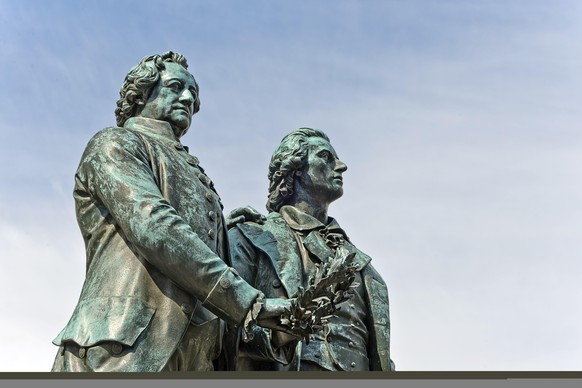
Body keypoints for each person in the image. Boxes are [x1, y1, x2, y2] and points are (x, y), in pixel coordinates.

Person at [51, 51, 295, 372]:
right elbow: (156, 226)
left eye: (193, 94)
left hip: (199, 358)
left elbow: (213, 294)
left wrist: (279, 330)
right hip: (125, 350)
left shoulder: (200, 181)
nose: (188, 99)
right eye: (176, 86)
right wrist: (250, 302)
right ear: (141, 94)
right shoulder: (116, 144)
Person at [226, 127, 395, 371]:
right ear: (294, 169)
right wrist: (280, 335)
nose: (341, 166)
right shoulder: (251, 235)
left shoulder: (362, 265)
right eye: (326, 157)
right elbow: (226, 325)